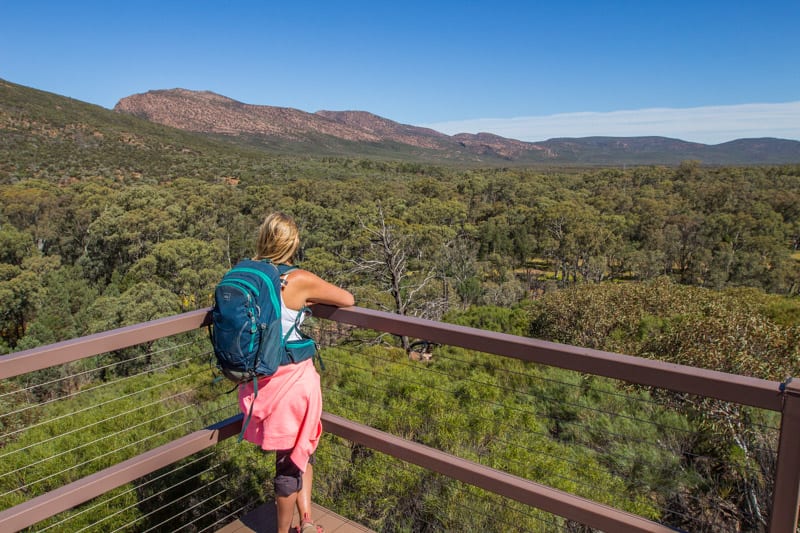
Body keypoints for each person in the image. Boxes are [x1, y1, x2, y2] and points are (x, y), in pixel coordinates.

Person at [237, 212, 354, 533]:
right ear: (293, 243)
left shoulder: (245, 273)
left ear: (262, 238)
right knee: (290, 465)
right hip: (293, 384)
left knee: (300, 450)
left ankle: (306, 519)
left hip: (259, 381)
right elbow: (347, 298)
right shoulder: (298, 279)